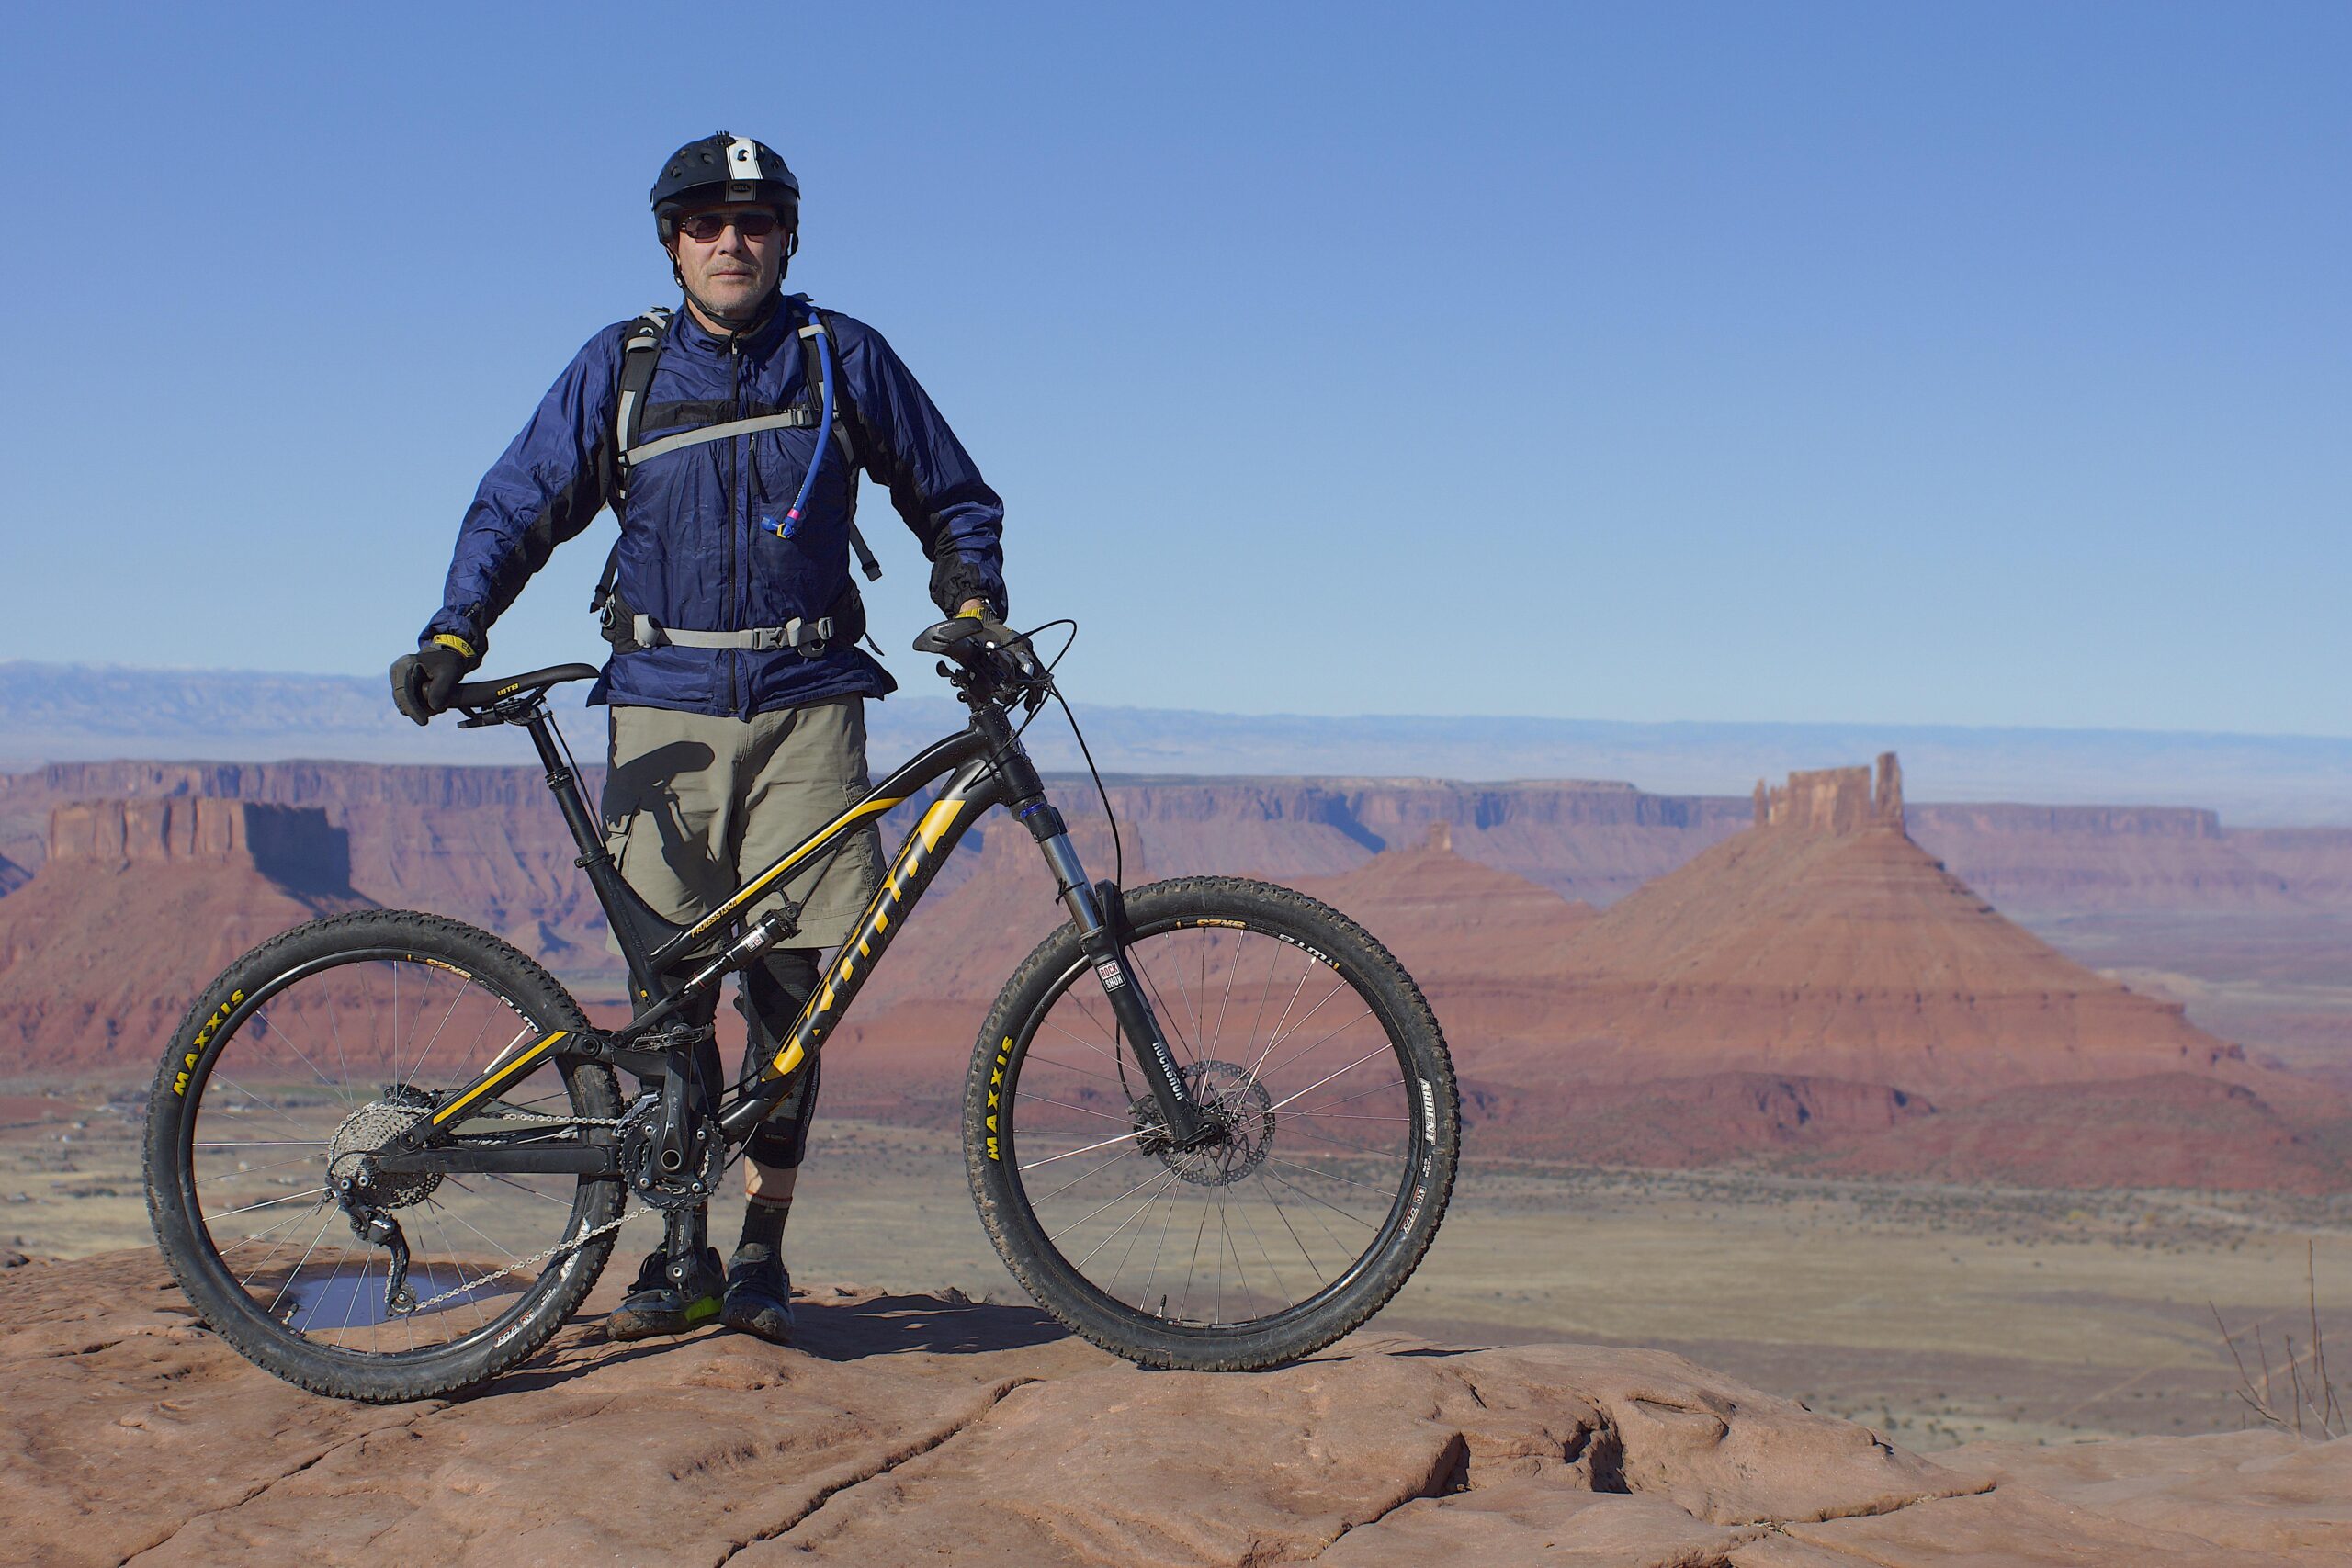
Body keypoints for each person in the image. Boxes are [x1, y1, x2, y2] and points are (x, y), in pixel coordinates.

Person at [390, 132, 1007, 1346]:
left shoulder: (843, 358)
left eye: (758, 221)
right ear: (671, 239)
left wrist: (972, 600)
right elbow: (521, 502)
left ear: (787, 237)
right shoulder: (618, 367)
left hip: (806, 705)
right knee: (670, 1006)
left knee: (792, 1004)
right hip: (663, 706)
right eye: (706, 223)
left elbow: (951, 496)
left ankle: (763, 1254)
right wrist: (456, 628)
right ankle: (681, 1256)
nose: (733, 242)